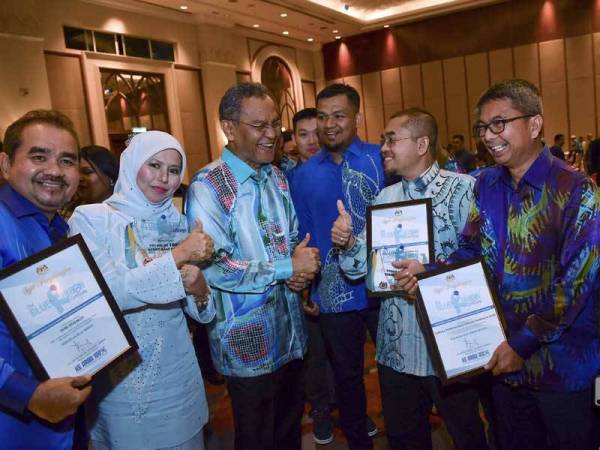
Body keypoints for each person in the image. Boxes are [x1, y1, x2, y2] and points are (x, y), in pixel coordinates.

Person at [395, 79, 600, 450]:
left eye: (499, 123)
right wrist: (430, 271)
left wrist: (520, 346)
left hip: (562, 368)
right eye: (482, 128)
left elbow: (573, 289)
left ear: (534, 124)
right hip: (500, 362)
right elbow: (470, 250)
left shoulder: (577, 190)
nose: (489, 136)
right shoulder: (485, 184)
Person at [332, 107, 488, 450]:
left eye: (391, 139)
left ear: (421, 144)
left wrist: (431, 272)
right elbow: (365, 271)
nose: (383, 147)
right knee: (404, 440)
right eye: (382, 140)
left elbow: (484, 262)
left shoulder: (466, 191)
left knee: (467, 436)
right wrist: (349, 244)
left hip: (451, 347)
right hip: (397, 349)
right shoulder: (385, 198)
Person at [185, 82, 320, 450]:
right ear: (229, 128)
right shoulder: (208, 186)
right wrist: (286, 269)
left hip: (290, 335)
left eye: (275, 124)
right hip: (247, 348)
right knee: (256, 440)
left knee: (289, 432)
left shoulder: (276, 176)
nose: (272, 135)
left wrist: (301, 273)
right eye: (259, 126)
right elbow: (215, 267)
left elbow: (292, 238)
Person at [68, 130, 216, 450]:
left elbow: (203, 313)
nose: (163, 177)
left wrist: (200, 289)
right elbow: (110, 294)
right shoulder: (92, 220)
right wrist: (178, 256)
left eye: (174, 170)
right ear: (132, 164)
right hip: (125, 382)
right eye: (154, 165)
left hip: (179, 376)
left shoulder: (177, 223)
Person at [291, 83, 384, 450]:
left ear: (357, 118)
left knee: (395, 373)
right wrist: (306, 289)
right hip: (333, 294)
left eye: (338, 115)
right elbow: (303, 237)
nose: (329, 124)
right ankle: (359, 441)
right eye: (323, 116)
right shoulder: (302, 175)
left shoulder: (381, 160)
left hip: (385, 287)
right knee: (346, 378)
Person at [0, 109, 92, 449]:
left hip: (66, 417)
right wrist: (29, 394)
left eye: (67, 161)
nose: (54, 170)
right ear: (6, 164)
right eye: (39, 156)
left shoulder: (60, 229)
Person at [61, 145, 119, 218]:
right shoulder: (66, 212)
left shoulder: (125, 212)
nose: (79, 178)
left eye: (87, 172)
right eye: (76, 173)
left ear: (111, 176)